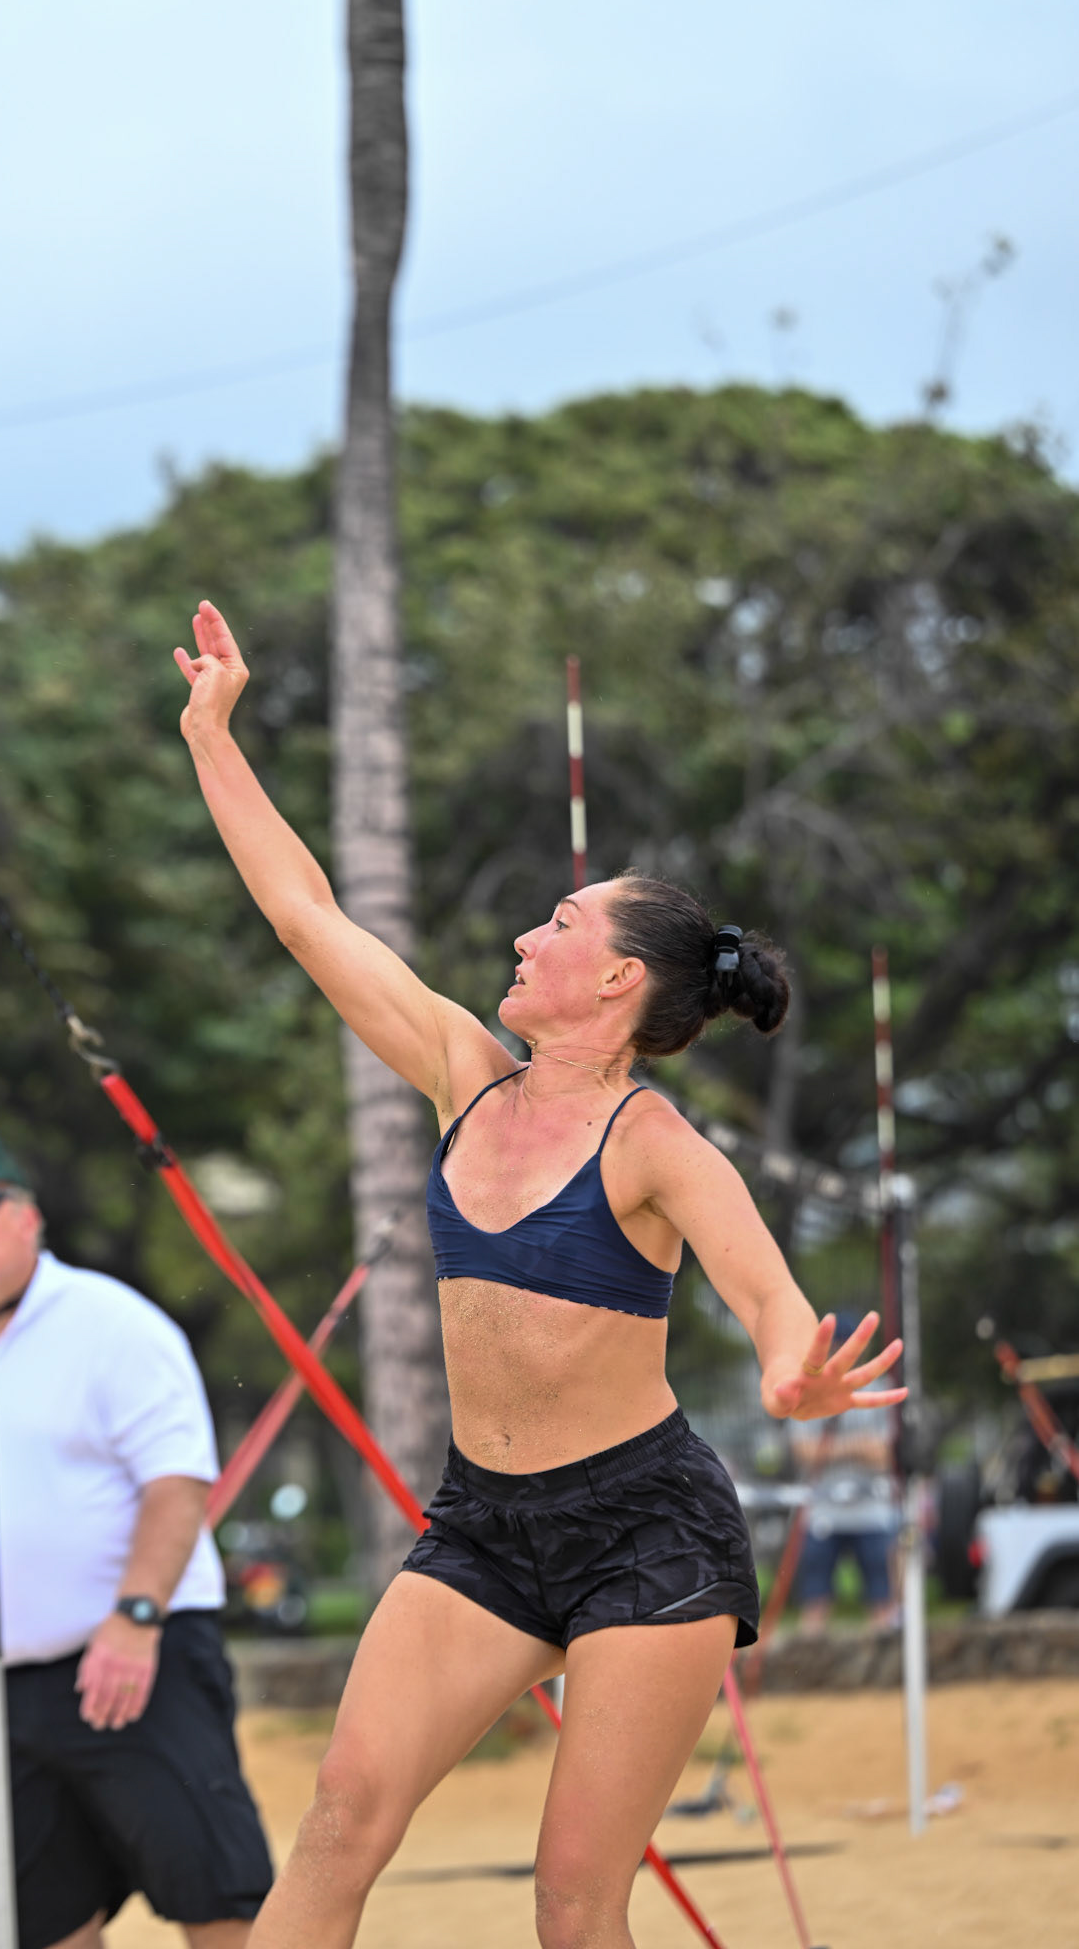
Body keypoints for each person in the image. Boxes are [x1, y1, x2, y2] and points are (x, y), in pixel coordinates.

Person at [172, 600, 907, 1949]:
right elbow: (303, 914)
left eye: (557, 924)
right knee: (340, 1821)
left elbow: (772, 1313)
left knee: (573, 1903)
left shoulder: (661, 1147)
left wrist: (799, 1383)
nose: (525, 937)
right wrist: (213, 733)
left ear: (616, 978)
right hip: (487, 1525)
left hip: (649, 1534)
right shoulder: (463, 1072)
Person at [0, 1129, 271, 1949]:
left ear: (28, 1217)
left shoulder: (112, 1324)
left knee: (216, 1894)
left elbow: (176, 1483)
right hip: (0, 1685)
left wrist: (133, 1616)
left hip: (135, 1660)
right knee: (38, 1925)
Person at [790, 1312, 901, 1632]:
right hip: (823, 1511)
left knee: (882, 1602)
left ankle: (885, 1673)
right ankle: (806, 1673)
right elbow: (804, 1453)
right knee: (814, 1603)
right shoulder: (808, 1388)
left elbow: (883, 1454)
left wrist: (833, 1450)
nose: (841, 1352)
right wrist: (858, 1447)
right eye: (836, 1345)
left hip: (872, 1511)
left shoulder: (881, 1388)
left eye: (849, 1346)